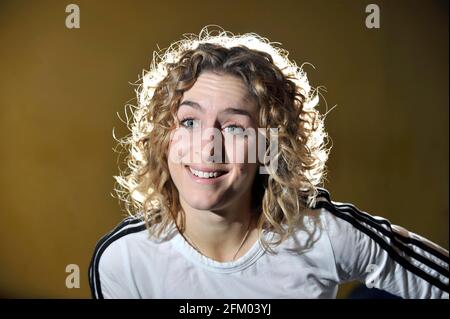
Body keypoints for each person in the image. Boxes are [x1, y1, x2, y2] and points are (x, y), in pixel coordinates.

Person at [88, 27, 449, 299]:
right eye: (189, 121)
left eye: (234, 127)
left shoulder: (322, 235)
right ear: (163, 137)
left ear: (269, 147)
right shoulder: (123, 259)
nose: (208, 147)